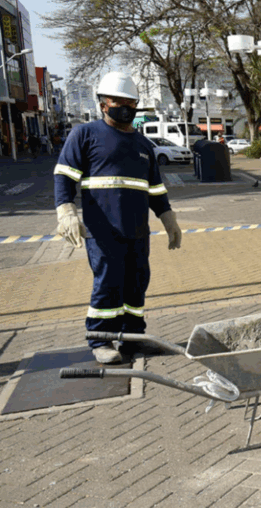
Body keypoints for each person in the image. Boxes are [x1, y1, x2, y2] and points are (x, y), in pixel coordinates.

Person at [53, 71, 183, 365]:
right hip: (103, 231)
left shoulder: (143, 145)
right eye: (118, 101)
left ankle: (134, 337)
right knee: (108, 283)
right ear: (103, 104)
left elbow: (156, 190)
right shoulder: (84, 135)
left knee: (137, 283)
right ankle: (101, 340)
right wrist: (66, 211)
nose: (125, 107)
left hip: (137, 231)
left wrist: (169, 220)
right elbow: (64, 176)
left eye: (130, 102)